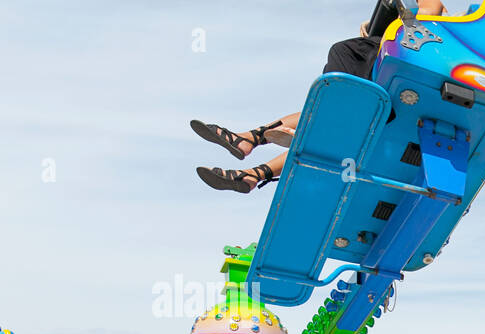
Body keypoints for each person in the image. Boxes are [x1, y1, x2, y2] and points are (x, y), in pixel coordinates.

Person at [191, 1, 452, 192]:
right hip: (390, 78)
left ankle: (252, 148)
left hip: (410, 73)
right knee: (330, 105)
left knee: (345, 53)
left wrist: (392, 22)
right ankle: (251, 158)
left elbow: (432, 11)